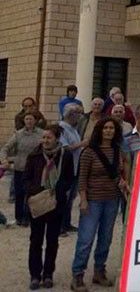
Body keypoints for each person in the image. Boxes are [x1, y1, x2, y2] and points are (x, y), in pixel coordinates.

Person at [70, 118, 128, 291]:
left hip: (112, 199)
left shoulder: (117, 151)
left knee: (105, 238)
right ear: (100, 130)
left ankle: (99, 270)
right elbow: (82, 177)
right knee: (86, 239)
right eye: (105, 128)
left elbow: (119, 172)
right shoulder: (89, 152)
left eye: (111, 128)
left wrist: (123, 182)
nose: (109, 131)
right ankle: (78, 274)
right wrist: (84, 199)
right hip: (93, 200)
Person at [24, 124, 74, 290]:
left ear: (57, 139)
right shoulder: (34, 155)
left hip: (56, 204)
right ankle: (35, 275)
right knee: (36, 240)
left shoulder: (65, 156)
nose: (45, 140)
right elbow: (26, 178)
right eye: (44, 137)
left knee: (52, 241)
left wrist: (59, 190)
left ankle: (48, 274)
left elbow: (69, 178)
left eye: (49, 138)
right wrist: (36, 192)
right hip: (38, 202)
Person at [1, 112, 44, 226]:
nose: (29, 121)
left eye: (31, 119)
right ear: (24, 121)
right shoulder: (18, 134)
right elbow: (6, 148)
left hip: (35, 169)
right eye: (27, 119)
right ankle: (19, 217)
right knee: (19, 194)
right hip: (20, 167)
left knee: (31, 194)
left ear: (35, 120)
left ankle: (29, 217)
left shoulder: (41, 134)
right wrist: (4, 159)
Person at [59, 104, 84, 235]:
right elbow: (65, 147)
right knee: (64, 197)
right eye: (78, 114)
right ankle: (60, 226)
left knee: (71, 197)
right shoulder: (61, 128)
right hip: (66, 169)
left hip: (75, 167)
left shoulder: (73, 129)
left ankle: (67, 223)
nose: (79, 117)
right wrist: (82, 144)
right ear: (70, 115)